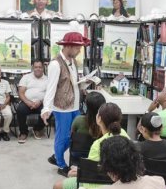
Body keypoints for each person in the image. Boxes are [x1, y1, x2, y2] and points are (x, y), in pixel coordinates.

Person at [53, 102, 129, 189]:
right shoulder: (124, 134)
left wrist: (79, 172)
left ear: (99, 119)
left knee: (57, 187)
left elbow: (90, 175)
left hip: (98, 185)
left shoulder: (98, 144)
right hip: (120, 182)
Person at [42, 32, 89, 176]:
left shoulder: (73, 61)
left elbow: (73, 84)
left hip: (75, 105)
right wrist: (46, 108)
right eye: (78, 48)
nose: (80, 51)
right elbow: (50, 88)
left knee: (74, 136)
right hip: (62, 108)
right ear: (68, 46)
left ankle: (56, 156)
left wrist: (86, 83)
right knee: (62, 137)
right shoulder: (55, 64)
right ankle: (61, 165)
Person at [16, 60, 48, 143]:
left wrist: (40, 101)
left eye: (40, 67)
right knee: (20, 110)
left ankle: (37, 129)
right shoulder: (26, 77)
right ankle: (23, 132)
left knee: (49, 111)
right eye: (36, 67)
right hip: (27, 102)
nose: (38, 69)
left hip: (41, 103)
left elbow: (49, 94)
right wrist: (28, 102)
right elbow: (21, 92)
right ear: (33, 68)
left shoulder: (47, 79)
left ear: (43, 68)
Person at [69, 91, 106, 162]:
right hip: (97, 158)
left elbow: (72, 135)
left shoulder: (78, 120)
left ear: (86, 106)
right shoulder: (105, 122)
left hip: (78, 155)